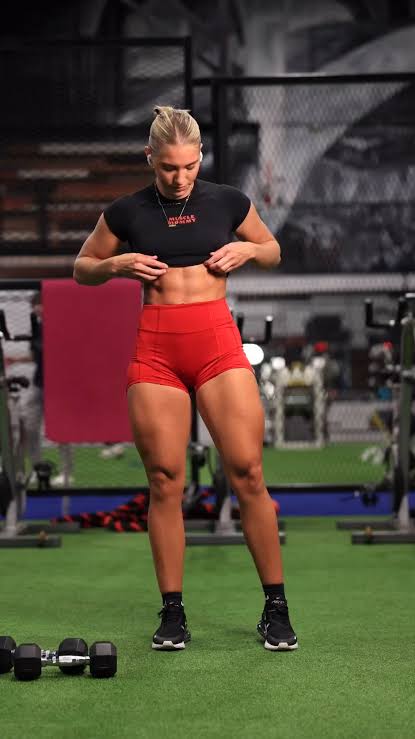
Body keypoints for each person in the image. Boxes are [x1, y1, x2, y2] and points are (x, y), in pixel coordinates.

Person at [73, 105, 298, 652]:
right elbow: (83, 268)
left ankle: (275, 608)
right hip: (156, 351)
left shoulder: (226, 201)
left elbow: (273, 250)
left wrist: (250, 248)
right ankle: (172, 612)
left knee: (248, 473)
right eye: (169, 167)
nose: (180, 178)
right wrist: (116, 265)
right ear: (150, 158)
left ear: (201, 158)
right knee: (165, 481)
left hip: (217, 344)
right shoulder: (126, 211)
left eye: (190, 166)